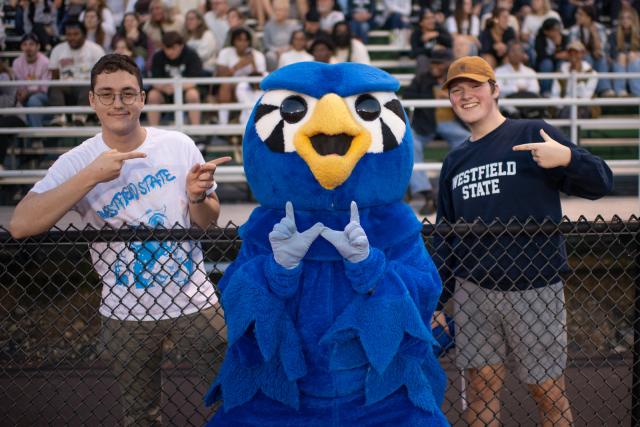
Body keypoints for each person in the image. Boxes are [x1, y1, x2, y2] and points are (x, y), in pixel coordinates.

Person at [9, 53, 229, 427]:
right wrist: (90, 176)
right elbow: (20, 225)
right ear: (92, 101)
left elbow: (208, 221)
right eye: (106, 94)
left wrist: (196, 197)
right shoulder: (78, 161)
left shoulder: (177, 145)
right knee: (139, 416)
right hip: (126, 310)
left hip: (195, 299)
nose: (118, 103)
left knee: (231, 398)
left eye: (128, 93)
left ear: (142, 98)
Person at [432, 56, 613, 427]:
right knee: (481, 390)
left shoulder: (531, 132)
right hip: (473, 290)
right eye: (456, 90)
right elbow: (446, 236)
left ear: (495, 89)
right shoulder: (454, 160)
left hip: (535, 286)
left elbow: (601, 183)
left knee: (547, 391)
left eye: (475, 86)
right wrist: (437, 300)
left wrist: (566, 158)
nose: (466, 96)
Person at [403, 49, 470, 215]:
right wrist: (432, 98)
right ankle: (426, 193)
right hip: (426, 124)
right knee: (412, 143)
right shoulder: (422, 78)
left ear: (448, 64)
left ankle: (448, 190)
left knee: (469, 140)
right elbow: (407, 96)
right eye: (433, 62)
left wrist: (449, 96)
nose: (435, 66)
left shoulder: (456, 80)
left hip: (450, 123)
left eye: (439, 63)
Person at [47, 20, 106, 127]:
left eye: (75, 34)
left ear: (84, 35)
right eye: (68, 35)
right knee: (55, 86)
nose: (72, 38)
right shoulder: (58, 50)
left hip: (88, 91)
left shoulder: (95, 49)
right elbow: (54, 75)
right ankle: (59, 118)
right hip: (65, 89)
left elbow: (103, 76)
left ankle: (80, 117)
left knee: (88, 85)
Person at [147, 31, 205, 126]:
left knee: (193, 94)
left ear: (181, 46)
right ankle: (153, 131)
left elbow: (195, 79)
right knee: (153, 96)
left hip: (185, 90)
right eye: (167, 48)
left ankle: (196, 129)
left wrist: (178, 87)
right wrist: (163, 88)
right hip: (165, 91)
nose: (170, 52)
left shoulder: (192, 55)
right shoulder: (158, 56)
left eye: (173, 48)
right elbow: (154, 79)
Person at [12, 32, 51, 128]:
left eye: (31, 44)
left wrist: (28, 92)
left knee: (33, 101)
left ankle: (36, 139)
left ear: (38, 46)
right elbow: (19, 85)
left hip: (43, 96)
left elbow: (44, 88)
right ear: (21, 47)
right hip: (23, 95)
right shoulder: (17, 62)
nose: (28, 48)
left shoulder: (46, 62)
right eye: (25, 44)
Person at [551, 40, 598, 118]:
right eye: (570, 52)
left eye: (576, 52)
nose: (573, 55)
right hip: (564, 107)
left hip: (583, 107)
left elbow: (586, 97)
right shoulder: (559, 72)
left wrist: (576, 76)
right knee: (567, 112)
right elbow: (554, 96)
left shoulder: (592, 73)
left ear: (582, 54)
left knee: (575, 112)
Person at [609, 6, 640, 97]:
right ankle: (621, 91)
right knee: (622, 56)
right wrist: (624, 57)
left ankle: (637, 92)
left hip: (636, 62)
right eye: (622, 18)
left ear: (634, 20)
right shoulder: (614, 34)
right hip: (619, 63)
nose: (625, 20)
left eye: (628, 18)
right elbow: (612, 53)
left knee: (632, 55)